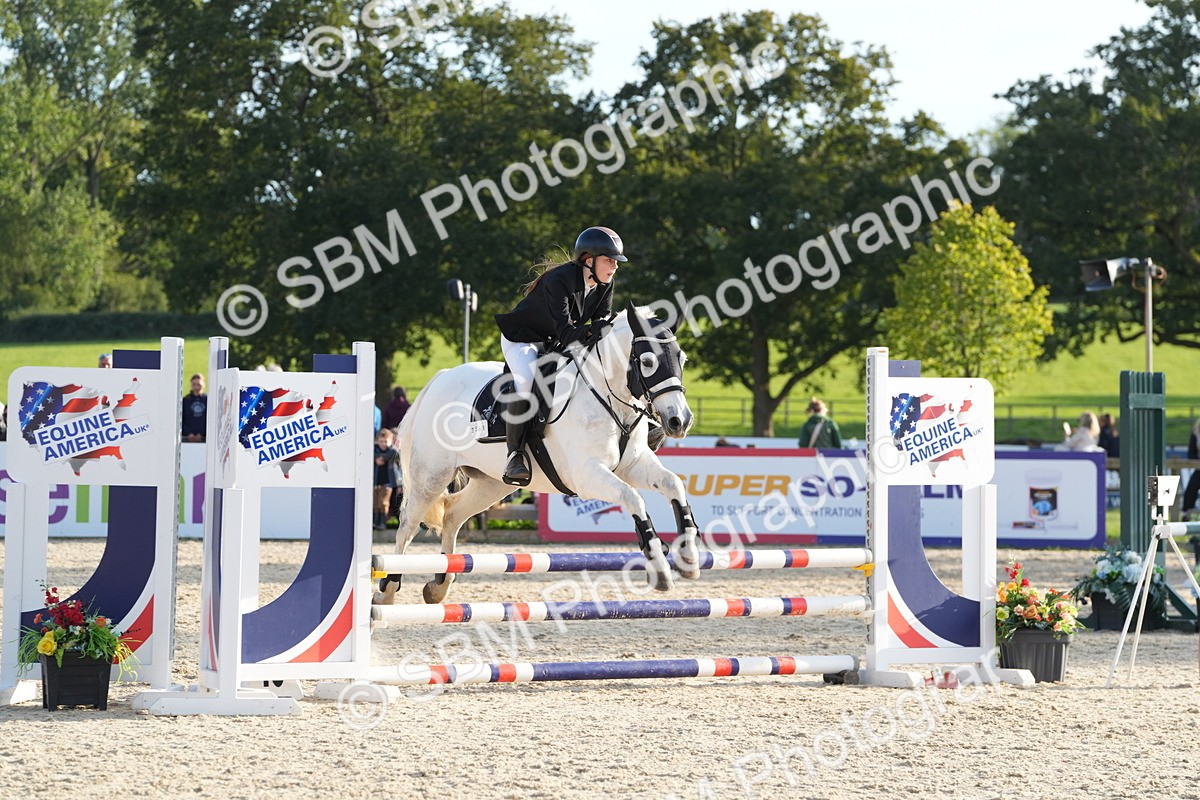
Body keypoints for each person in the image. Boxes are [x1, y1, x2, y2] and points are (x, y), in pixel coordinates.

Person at [495, 226, 624, 486]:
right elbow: (567, 333)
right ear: (590, 260)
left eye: (615, 262)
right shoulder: (560, 280)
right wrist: (595, 330)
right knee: (527, 381)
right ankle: (515, 455)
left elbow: (600, 322)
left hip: (556, 340)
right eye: (609, 260)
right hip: (524, 339)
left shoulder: (604, 284)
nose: (614, 267)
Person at [373, 428, 401, 530]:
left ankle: (382, 522)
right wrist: (376, 459)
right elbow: (370, 455)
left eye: (386, 442)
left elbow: (395, 453)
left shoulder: (392, 451)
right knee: (375, 502)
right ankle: (375, 522)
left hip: (388, 483)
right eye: (381, 441)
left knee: (383, 502)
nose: (383, 444)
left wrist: (381, 458)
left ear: (390, 442)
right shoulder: (374, 450)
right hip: (376, 482)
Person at [181, 373, 208, 442]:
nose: (196, 387)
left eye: (199, 385)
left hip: (204, 438)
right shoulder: (186, 400)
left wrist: (201, 433)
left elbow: (209, 418)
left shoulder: (207, 400)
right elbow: (181, 418)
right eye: (194, 385)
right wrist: (188, 433)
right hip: (187, 438)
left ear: (204, 385)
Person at [1182, 419, 1200, 519]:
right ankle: (1185, 514)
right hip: (1199, 469)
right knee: (1191, 488)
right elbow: (1191, 454)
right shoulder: (1196, 433)